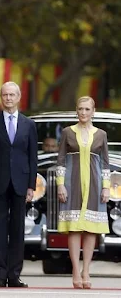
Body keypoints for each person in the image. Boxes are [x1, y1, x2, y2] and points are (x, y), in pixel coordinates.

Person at [0, 81, 37, 288]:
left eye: (12, 95)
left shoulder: (29, 125)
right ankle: (0, 275)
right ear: (1, 97)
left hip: (21, 183)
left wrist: (31, 185)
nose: (8, 98)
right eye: (5, 95)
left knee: (18, 230)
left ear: (19, 97)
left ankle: (15, 275)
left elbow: (33, 158)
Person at [56, 96, 110, 289]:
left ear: (93, 111)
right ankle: (75, 270)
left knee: (90, 229)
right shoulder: (67, 132)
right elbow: (60, 159)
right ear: (76, 111)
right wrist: (60, 184)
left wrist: (106, 186)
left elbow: (105, 163)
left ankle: (86, 270)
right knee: (74, 228)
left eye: (87, 109)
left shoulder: (101, 134)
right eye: (81, 109)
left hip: (95, 185)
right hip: (72, 184)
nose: (84, 113)